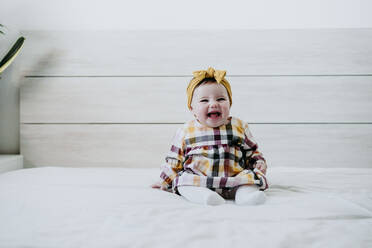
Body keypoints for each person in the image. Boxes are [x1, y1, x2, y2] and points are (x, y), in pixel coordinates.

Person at [152, 67, 268, 206]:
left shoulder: (239, 126)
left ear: (229, 103)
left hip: (234, 179)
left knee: (248, 180)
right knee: (183, 183)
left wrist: (258, 162)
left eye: (221, 99)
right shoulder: (186, 130)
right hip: (199, 180)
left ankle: (246, 196)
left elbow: (251, 151)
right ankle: (205, 197)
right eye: (204, 101)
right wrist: (164, 180)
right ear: (192, 109)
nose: (213, 104)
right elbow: (174, 161)